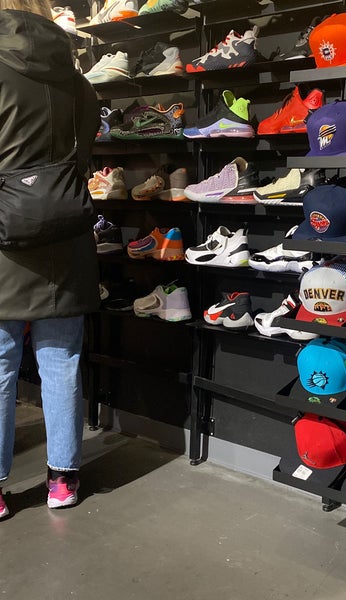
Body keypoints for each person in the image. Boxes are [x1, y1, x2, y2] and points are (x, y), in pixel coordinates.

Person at [0, 0, 100, 518]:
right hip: (68, 237)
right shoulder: (78, 81)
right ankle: (62, 479)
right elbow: (84, 157)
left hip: (3, 242)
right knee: (62, 364)